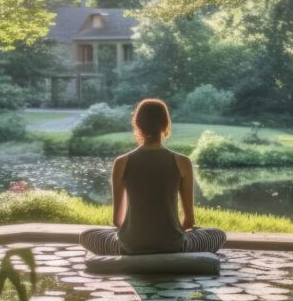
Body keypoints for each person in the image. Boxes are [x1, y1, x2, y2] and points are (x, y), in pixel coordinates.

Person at [80, 98, 227, 255]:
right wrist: (170, 235)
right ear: (166, 126)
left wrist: (137, 235)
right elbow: (189, 221)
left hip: (130, 247)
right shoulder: (182, 162)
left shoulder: (121, 162)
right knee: (218, 234)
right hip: (174, 246)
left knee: (87, 235)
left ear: (137, 125)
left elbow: (117, 221)